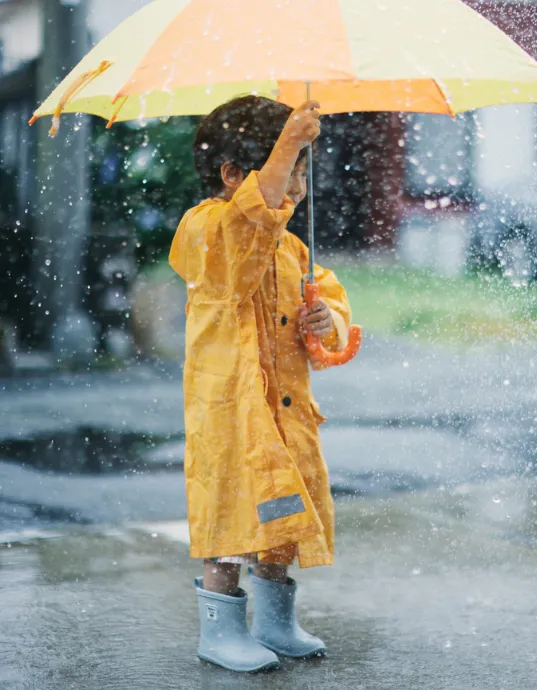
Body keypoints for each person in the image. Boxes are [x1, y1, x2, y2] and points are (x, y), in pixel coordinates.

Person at [169, 95, 351, 673]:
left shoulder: (293, 247)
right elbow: (247, 228)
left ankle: (274, 620)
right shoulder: (206, 229)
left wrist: (329, 322)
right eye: (292, 169)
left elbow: (329, 305)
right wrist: (291, 138)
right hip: (230, 413)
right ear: (230, 174)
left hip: (283, 413)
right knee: (229, 519)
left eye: (303, 172)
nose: (297, 186)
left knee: (281, 518)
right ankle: (219, 628)